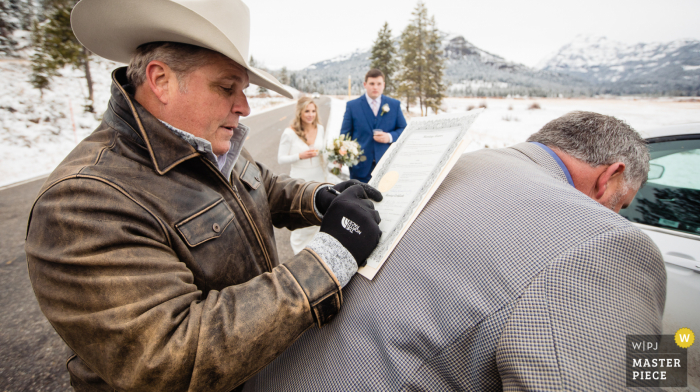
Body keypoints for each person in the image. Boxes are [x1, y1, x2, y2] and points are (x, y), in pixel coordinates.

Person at [25, 0, 384, 392]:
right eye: (226, 87)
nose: (244, 106)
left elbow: (262, 185)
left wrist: (318, 199)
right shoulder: (82, 202)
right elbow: (172, 354)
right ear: (161, 80)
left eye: (244, 88)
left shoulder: (208, 139)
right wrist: (326, 261)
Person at [249, 111, 667, 391]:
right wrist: (671, 367)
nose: (617, 215)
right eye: (621, 204)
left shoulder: (461, 164)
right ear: (611, 176)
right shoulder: (606, 242)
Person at [278, 97, 328, 253]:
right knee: (302, 221)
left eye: (313, 111)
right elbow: (280, 159)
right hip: (300, 181)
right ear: (300, 112)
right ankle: (299, 255)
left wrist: (336, 159)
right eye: (307, 111)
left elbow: (323, 152)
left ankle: (315, 254)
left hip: (319, 178)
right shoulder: (289, 133)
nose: (310, 115)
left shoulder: (320, 128)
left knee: (319, 219)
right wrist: (300, 156)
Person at [340, 68, 407, 182]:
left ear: (384, 85)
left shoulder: (394, 105)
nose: (375, 87)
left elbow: (404, 130)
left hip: (387, 166)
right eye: (372, 83)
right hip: (359, 167)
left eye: (379, 84)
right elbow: (344, 135)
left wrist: (389, 137)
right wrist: (343, 156)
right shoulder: (352, 106)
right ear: (365, 84)